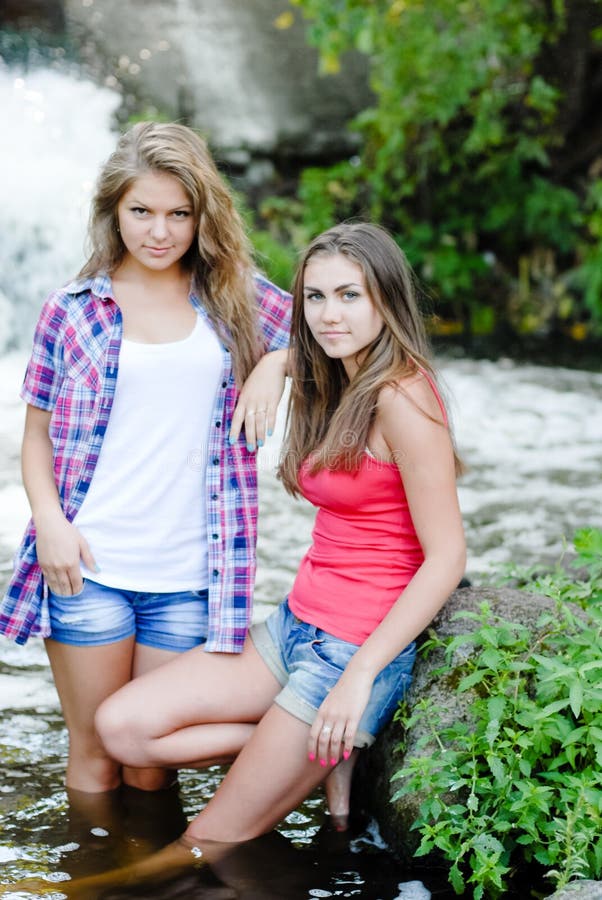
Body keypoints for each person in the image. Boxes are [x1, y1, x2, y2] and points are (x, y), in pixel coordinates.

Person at [0, 222, 466, 898]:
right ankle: (309, 741)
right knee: (121, 728)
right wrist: (277, 362)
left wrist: (359, 676)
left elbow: (447, 555)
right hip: (295, 627)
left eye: (349, 296)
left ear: (386, 300)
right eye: (315, 298)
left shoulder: (403, 395)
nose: (329, 315)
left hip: (351, 650)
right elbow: (290, 347)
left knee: (202, 845)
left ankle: (89, 888)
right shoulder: (338, 374)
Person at [0, 121, 292, 796]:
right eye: (141, 212)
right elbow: (36, 434)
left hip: (190, 574)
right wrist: (50, 521)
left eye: (177, 214)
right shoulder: (71, 311)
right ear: (113, 212)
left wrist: (278, 360)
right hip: (88, 564)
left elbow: (338, 335)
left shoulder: (235, 299)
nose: (158, 232)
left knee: (151, 763)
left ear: (201, 215)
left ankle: (156, 881)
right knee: (98, 751)